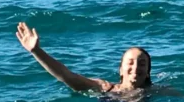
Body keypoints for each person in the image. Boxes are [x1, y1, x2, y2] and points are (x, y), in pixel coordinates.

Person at [15, 21, 153, 94]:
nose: (135, 67)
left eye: (142, 64)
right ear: (121, 69)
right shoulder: (105, 88)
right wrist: (37, 51)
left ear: (148, 72)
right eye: (130, 62)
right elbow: (66, 76)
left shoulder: (157, 92)